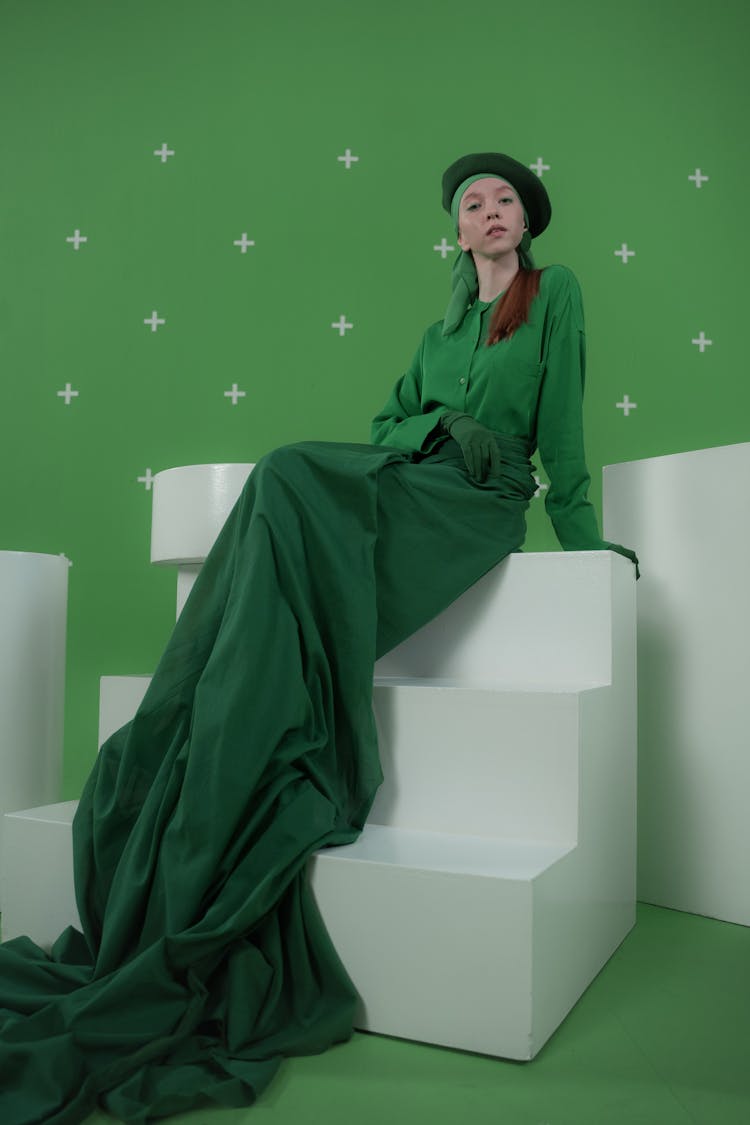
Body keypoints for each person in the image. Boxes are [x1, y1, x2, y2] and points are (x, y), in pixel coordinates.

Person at [0, 152, 638, 1124]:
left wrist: (590, 547)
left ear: (528, 219)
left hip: (488, 501)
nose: (492, 210)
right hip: (423, 476)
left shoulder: (557, 295)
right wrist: (437, 421)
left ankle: (254, 670)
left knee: (291, 473)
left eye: (507, 198)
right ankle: (228, 682)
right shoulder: (438, 330)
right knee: (286, 473)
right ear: (457, 230)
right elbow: (389, 421)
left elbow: (565, 430)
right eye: (474, 202)